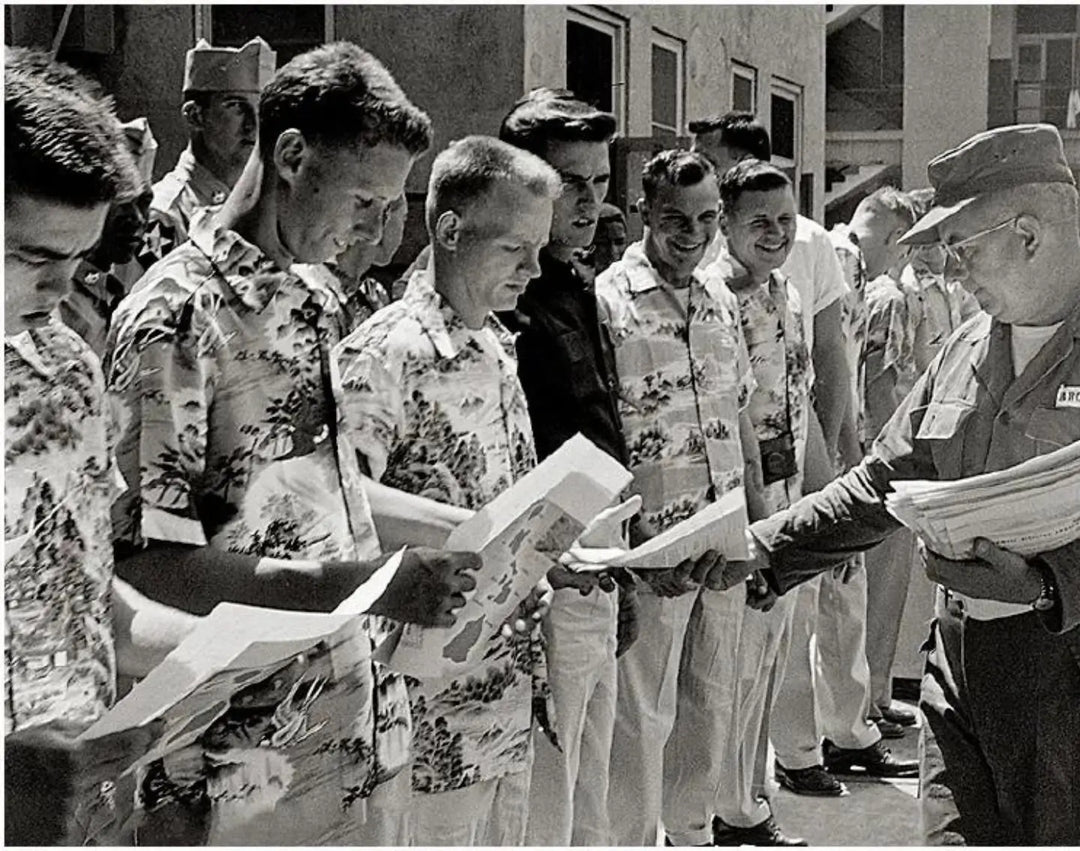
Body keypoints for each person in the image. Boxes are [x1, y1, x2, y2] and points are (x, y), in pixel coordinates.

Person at [106, 43, 478, 845]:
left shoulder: (312, 297)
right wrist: (371, 584)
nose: (378, 230)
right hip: (236, 768)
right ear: (292, 154)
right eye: (365, 200)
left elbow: (313, 494)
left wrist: (469, 533)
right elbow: (148, 565)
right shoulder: (176, 317)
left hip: (353, 731)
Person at [738, 123, 1080, 846]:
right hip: (958, 674)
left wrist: (1053, 586)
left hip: (1065, 677)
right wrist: (765, 552)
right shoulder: (965, 345)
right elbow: (884, 480)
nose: (951, 273)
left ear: (1028, 233)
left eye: (963, 248)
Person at [335, 135, 566, 845]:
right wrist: (470, 528)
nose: (534, 269)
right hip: (422, 717)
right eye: (514, 249)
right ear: (450, 230)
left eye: (539, 248)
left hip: (502, 698)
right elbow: (342, 502)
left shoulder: (493, 345)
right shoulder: (384, 353)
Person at [5, 53, 197, 845]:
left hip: (83, 804)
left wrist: (212, 662)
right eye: (35, 258)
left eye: (79, 259)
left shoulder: (65, 368)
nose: (62, 290)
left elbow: (84, 591)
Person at [598, 149, 747, 847]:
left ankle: (693, 834)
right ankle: (634, 839)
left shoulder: (721, 299)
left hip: (720, 534)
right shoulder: (609, 299)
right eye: (674, 219)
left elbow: (736, 406)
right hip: (651, 545)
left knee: (711, 703)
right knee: (641, 712)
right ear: (643, 214)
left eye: (707, 218)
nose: (692, 233)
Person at [496, 87, 632, 846]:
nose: (589, 203)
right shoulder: (507, 300)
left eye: (601, 183)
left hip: (603, 562)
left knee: (591, 785)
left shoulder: (577, 284)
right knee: (549, 792)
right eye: (570, 183)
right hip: (544, 576)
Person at [687, 159, 817, 846]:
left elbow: (804, 401)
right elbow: (732, 416)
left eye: (786, 219)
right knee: (728, 670)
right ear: (727, 225)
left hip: (788, 501)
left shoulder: (788, 294)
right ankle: (717, 809)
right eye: (759, 221)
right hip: (743, 509)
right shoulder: (711, 297)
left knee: (769, 660)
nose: (776, 233)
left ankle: (746, 800)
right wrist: (762, 514)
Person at [142, 37, 275, 267]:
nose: (253, 125)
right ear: (195, 116)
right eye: (235, 106)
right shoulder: (165, 214)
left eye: (260, 109)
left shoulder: (260, 204)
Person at [61, 118, 158, 357]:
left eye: (144, 203)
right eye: (122, 202)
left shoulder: (114, 291)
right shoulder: (60, 303)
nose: (136, 218)